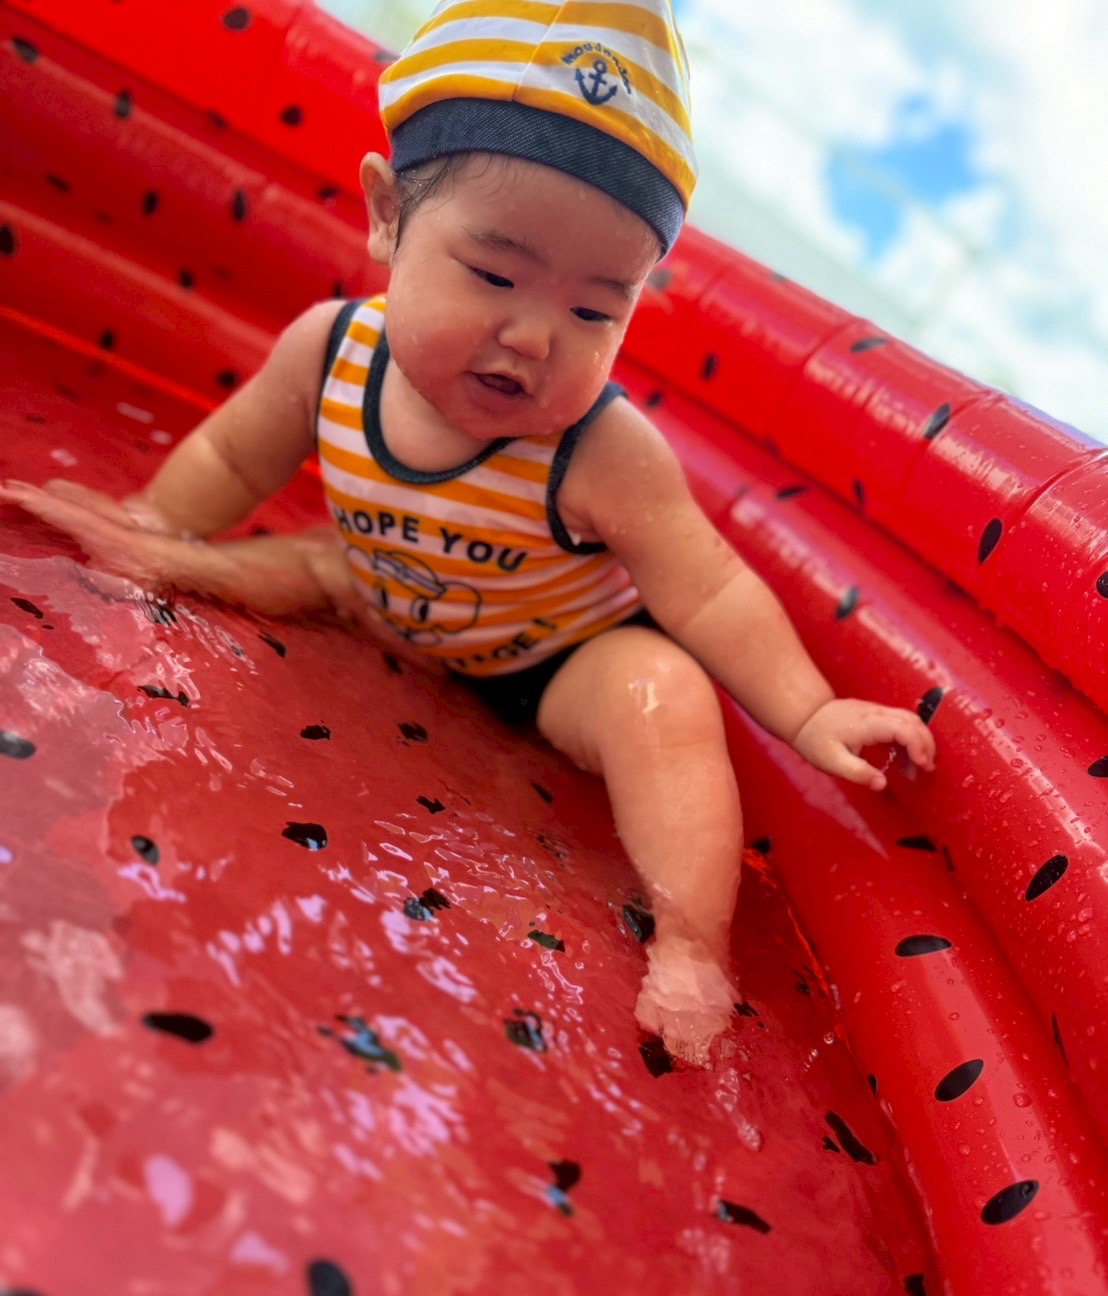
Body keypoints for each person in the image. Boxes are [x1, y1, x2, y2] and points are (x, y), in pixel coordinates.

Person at [0, 0, 936, 1064]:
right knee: (269, 562)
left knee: (662, 693)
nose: (534, 335)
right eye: (495, 275)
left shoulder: (600, 452)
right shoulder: (330, 353)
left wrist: (808, 711)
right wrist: (156, 518)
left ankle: (689, 946)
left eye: (595, 311)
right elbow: (229, 460)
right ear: (388, 214)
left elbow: (708, 589)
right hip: (376, 581)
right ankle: (142, 556)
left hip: (552, 660)